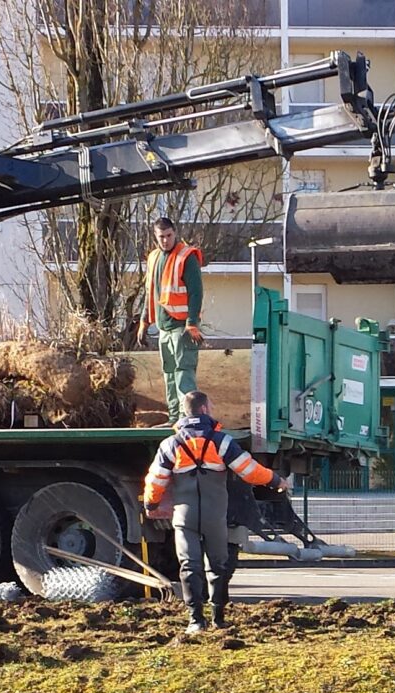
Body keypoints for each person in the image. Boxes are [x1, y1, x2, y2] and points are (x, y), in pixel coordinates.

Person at [141, 390, 279, 633]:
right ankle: (219, 618)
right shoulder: (222, 442)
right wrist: (275, 480)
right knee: (218, 564)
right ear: (204, 409)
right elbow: (250, 471)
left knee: (189, 565)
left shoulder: (170, 445)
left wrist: (151, 504)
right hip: (216, 516)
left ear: (186, 411)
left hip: (185, 517)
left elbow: (156, 481)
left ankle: (195, 620)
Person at [144, 216, 204, 417]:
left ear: (175, 233)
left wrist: (192, 323)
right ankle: (174, 416)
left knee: (183, 372)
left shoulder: (186, 256)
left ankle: (187, 418)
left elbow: (196, 292)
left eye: (168, 236)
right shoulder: (154, 258)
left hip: (182, 327)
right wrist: (144, 322)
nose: (165, 240)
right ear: (155, 236)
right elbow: (150, 291)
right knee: (169, 373)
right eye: (161, 236)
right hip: (164, 328)